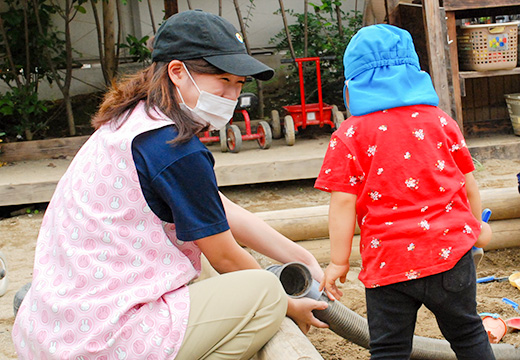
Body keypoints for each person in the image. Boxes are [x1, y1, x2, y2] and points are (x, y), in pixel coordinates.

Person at [12, 10, 328, 360]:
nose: (232, 95)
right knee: (265, 292)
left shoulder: (134, 120)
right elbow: (225, 255)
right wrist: (287, 303)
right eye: (222, 79)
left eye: (239, 84)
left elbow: (213, 206)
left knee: (205, 261)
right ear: (178, 72)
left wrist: (301, 257)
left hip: (61, 327)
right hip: (106, 339)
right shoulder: (175, 148)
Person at [315, 24, 494, 359]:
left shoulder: (350, 135)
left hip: (388, 263)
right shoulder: (440, 121)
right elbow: (467, 182)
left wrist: (338, 262)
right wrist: (474, 225)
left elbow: (342, 203)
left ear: (352, 87)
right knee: (468, 332)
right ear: (415, 74)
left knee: (389, 348)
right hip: (450, 256)